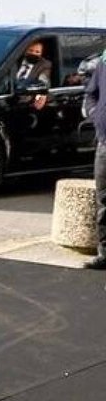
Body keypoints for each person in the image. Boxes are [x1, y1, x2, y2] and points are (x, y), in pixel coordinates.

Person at [83, 53, 106, 269]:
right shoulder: (104, 62)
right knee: (104, 200)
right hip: (104, 143)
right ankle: (104, 253)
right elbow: (92, 93)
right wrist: (95, 113)